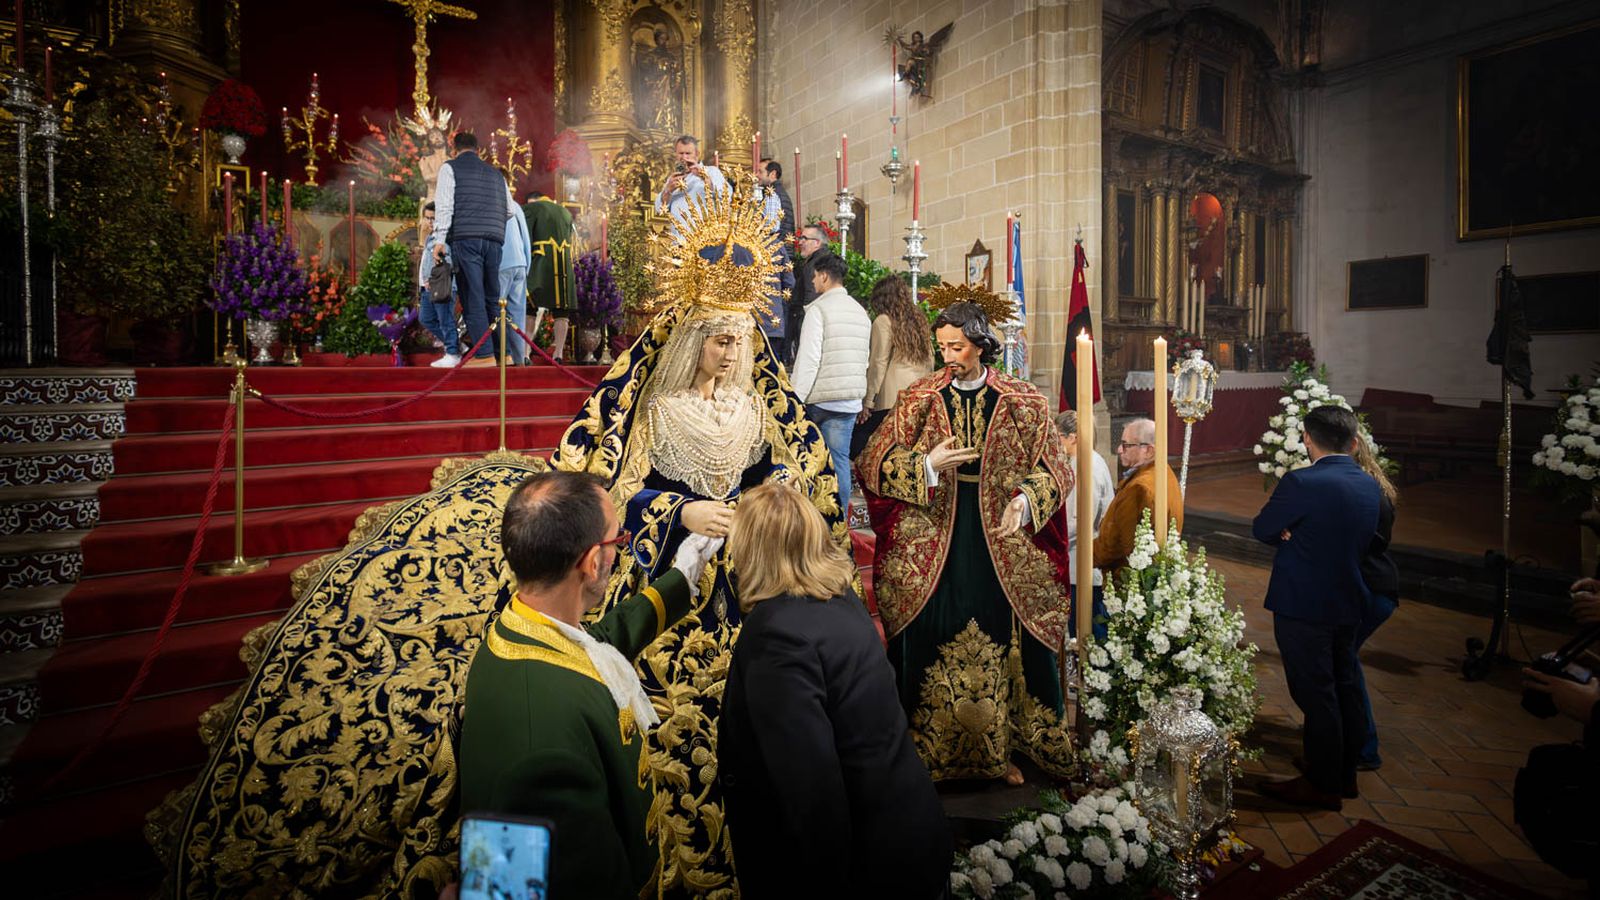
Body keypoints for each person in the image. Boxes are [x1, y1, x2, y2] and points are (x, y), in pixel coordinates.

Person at [548, 189, 847, 896]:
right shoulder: (659, 409)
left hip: (749, 575)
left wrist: (765, 500)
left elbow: (780, 472)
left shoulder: (754, 408)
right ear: (692, 340)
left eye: (740, 338)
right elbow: (624, 490)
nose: (733, 350)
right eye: (719, 339)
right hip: (670, 573)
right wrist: (681, 513)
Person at [458, 471, 722, 900]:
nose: (621, 550)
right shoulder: (539, 753)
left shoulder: (523, 625)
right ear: (592, 562)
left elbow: (597, 643)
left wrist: (683, 573)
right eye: (618, 540)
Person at [857, 300, 1076, 786]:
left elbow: (1057, 468)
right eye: (942, 348)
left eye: (956, 347)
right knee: (933, 628)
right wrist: (926, 466)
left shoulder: (1021, 400)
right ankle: (929, 745)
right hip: (936, 536)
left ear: (980, 345)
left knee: (1004, 633)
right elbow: (872, 461)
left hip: (1001, 540)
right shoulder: (919, 398)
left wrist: (1023, 501)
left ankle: (1005, 746)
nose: (948, 356)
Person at [719, 482, 951, 899]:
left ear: (752, 551)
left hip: (865, 869)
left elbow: (810, 791)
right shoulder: (839, 596)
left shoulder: (776, 636)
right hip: (909, 836)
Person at [1252, 405, 1380, 811]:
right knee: (1344, 686)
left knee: (1316, 694)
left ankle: (1323, 785)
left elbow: (1263, 528)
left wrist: (1290, 532)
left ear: (1307, 438)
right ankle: (1343, 774)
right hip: (1348, 598)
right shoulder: (1368, 483)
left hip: (1304, 603)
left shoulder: (1302, 482)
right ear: (1354, 442)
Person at [789, 252, 870, 514]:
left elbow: (809, 360)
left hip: (820, 399)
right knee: (840, 462)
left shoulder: (819, 310)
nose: (813, 282)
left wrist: (795, 399)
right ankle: (840, 523)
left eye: (814, 277)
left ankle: (810, 520)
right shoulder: (860, 311)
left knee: (807, 462)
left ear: (824, 276)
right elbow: (865, 359)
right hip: (849, 400)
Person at [431, 131, 518, 367]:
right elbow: (509, 210)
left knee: (473, 297)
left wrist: (439, 240)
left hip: (466, 239)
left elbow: (445, 206)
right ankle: (504, 354)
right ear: (478, 150)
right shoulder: (496, 174)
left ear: (454, 149)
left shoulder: (450, 168)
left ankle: (484, 355)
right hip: (494, 241)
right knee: (493, 298)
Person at [1352, 435, 1399, 770]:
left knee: (1343, 664)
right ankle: (1342, 730)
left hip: (1370, 588)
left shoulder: (1363, 492)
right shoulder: (1373, 485)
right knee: (1341, 661)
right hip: (1376, 584)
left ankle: (1364, 747)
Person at [853, 274, 932, 458]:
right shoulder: (919, 319)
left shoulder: (883, 321)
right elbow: (930, 358)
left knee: (869, 445)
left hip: (891, 398)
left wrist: (868, 402)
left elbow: (878, 363)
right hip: (918, 393)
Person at [1094, 418, 1184, 575]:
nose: (1119, 450)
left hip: (1129, 577)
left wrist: (1085, 554)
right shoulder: (1164, 471)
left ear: (1148, 451)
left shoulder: (1139, 488)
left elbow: (1118, 543)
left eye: (1126, 445)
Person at [1057, 409, 1115, 641]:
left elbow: (1077, 521)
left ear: (1073, 437)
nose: (1055, 444)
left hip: (1081, 565)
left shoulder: (1085, 466)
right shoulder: (1085, 461)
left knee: (1088, 635)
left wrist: (1050, 539)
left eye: (1057, 437)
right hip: (1080, 563)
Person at [526, 190, 576, 361]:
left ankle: (525, 353)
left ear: (533, 200)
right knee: (561, 310)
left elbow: (525, 237)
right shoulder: (565, 212)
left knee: (530, 307)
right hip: (563, 264)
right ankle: (558, 353)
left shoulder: (532, 208)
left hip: (540, 263)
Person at [655, 134, 727, 236]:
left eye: (688, 153)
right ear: (676, 155)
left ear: (697, 154)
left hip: (706, 238)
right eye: (681, 153)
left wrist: (703, 176)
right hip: (680, 240)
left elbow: (726, 196)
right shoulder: (672, 179)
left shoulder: (712, 171)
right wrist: (668, 190)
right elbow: (659, 209)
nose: (684, 157)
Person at [417, 201, 460, 368]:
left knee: (445, 320)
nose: (430, 222)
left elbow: (448, 262)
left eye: (433, 218)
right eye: (427, 218)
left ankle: (453, 353)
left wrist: (432, 278)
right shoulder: (430, 237)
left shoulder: (446, 238)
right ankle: (456, 345)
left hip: (442, 286)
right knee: (426, 318)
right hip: (427, 287)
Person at [785, 224, 830, 366]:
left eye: (804, 238)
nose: (800, 242)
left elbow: (812, 296)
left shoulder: (815, 264)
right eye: (800, 238)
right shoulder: (818, 261)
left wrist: (805, 322)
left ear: (817, 243)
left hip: (808, 322)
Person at [499, 191, 533, 364]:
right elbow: (526, 237)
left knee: (497, 313)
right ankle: (519, 360)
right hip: (520, 263)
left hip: (501, 265)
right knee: (517, 317)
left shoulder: (491, 205)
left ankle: (504, 357)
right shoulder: (516, 206)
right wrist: (526, 265)